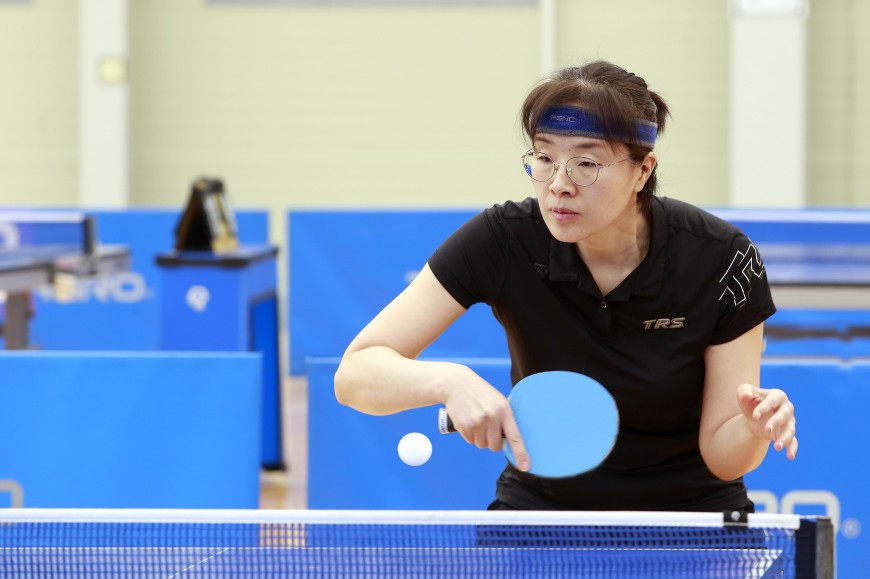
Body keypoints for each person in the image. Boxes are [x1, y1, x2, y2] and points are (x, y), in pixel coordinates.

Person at [334, 60, 798, 513]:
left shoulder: (721, 258)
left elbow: (723, 456)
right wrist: (448, 381)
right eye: (544, 158)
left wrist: (754, 427)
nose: (559, 184)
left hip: (689, 516)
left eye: (586, 163)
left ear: (642, 170)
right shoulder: (503, 239)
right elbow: (354, 375)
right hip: (542, 509)